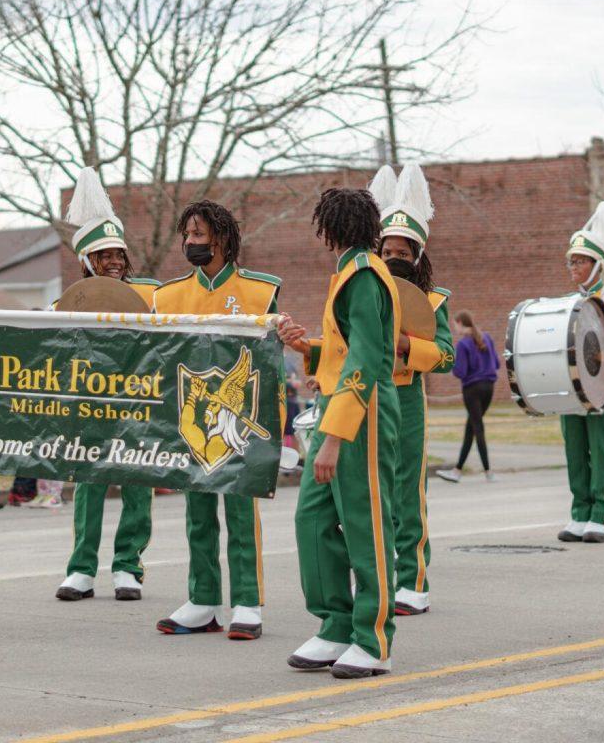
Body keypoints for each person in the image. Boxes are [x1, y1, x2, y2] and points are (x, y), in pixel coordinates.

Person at [278, 187, 400, 678]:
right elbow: (342, 349)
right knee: (312, 518)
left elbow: (368, 359)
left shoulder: (365, 275)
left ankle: (372, 640)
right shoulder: (350, 272)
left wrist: (333, 438)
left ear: (329, 229)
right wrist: (304, 345)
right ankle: (335, 624)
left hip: (362, 412)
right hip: (340, 403)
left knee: (366, 524)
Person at [152, 199, 281, 640]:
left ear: (222, 239)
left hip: (241, 421)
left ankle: (247, 602)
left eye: (199, 236)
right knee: (197, 512)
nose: (190, 243)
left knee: (242, 512)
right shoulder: (166, 296)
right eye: (186, 236)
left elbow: (272, 363)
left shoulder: (261, 291)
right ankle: (203, 600)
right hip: (190, 419)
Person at [56, 167, 159, 602]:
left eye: (118, 255)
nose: (114, 263)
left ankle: (128, 567)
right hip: (89, 404)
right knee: (89, 485)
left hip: (137, 405)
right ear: (86, 262)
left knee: (137, 484)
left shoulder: (153, 296)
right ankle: (81, 569)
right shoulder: (65, 304)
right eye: (104, 257)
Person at [368, 164, 455, 617]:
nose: (396, 254)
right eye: (389, 248)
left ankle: (413, 581)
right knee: (370, 493)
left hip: (405, 398)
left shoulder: (434, 299)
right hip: (367, 395)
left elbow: (445, 354)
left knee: (406, 492)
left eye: (404, 249)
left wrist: (408, 345)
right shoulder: (364, 290)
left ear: (418, 253)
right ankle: (378, 577)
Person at [558, 201, 604, 543]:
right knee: (574, 447)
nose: (574, 267)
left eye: (580, 261)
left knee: (600, 449)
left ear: (598, 264)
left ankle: (601, 514)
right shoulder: (568, 303)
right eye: (571, 261)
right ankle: (579, 511)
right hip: (573, 386)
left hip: (601, 386)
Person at [437, 311, 500, 484]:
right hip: (489, 388)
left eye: (454, 324)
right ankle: (457, 470)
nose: (453, 328)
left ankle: (488, 471)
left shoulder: (463, 345)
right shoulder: (486, 337)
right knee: (471, 428)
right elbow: (496, 363)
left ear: (459, 323)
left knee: (477, 428)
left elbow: (460, 372)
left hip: (472, 390)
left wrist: (453, 365)